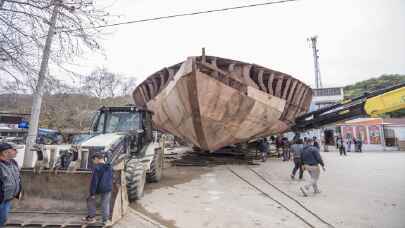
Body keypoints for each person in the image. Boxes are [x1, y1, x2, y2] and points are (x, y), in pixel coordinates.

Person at [82, 153, 113, 226]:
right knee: (105, 204)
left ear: (96, 158)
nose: (93, 162)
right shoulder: (109, 167)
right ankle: (105, 221)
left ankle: (91, 218)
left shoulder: (97, 168)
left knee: (90, 200)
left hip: (99, 189)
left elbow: (94, 181)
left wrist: (92, 193)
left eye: (93, 160)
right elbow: (112, 178)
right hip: (108, 189)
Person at [0, 143, 22, 226]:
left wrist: (18, 191)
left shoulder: (13, 162)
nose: (17, 152)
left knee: (3, 218)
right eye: (14, 150)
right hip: (1, 199)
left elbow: (17, 178)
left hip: (8, 198)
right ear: (5, 153)